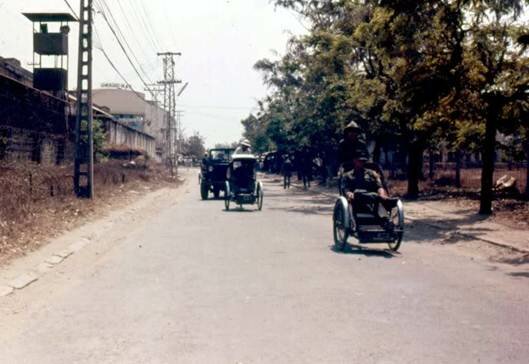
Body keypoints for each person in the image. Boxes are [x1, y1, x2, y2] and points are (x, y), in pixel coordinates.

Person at [342, 151, 394, 229]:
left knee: (380, 198)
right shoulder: (347, 175)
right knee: (357, 194)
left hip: (372, 197)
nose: (361, 163)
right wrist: (349, 193)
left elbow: (379, 186)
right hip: (355, 198)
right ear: (355, 161)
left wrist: (382, 194)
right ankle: (354, 223)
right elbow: (346, 188)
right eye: (359, 161)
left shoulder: (372, 174)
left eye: (363, 161)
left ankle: (386, 220)